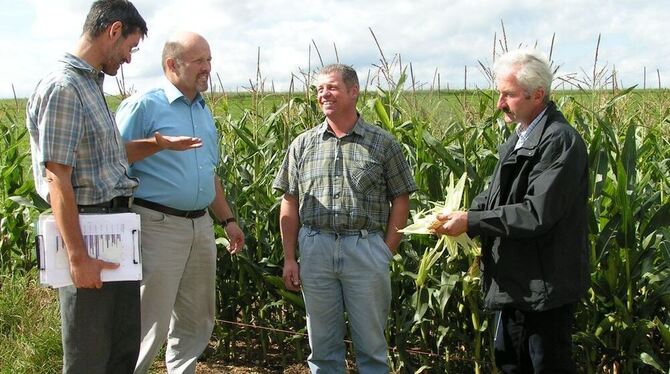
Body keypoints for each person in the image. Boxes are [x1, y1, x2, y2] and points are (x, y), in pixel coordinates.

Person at [26, 1, 202, 372]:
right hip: (88, 229)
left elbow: (105, 155)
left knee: (121, 348)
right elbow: (58, 177)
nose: (129, 58)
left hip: (115, 228)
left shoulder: (90, 84)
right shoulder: (64, 87)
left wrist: (158, 144)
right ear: (114, 30)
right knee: (89, 352)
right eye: (130, 47)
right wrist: (78, 258)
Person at [433, 49, 590, 373]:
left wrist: (472, 221)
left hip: (544, 287)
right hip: (516, 283)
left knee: (546, 365)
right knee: (511, 363)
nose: (499, 104)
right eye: (499, 93)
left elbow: (536, 213)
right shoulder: (518, 140)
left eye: (508, 95)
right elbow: (496, 197)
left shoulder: (559, 142)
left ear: (538, 95)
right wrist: (462, 214)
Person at [273, 64, 417, 373]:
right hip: (315, 248)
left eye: (332, 87)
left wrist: (385, 251)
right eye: (318, 89)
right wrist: (289, 257)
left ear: (354, 92)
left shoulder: (382, 143)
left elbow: (401, 199)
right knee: (323, 349)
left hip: (365, 249)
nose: (323, 94)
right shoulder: (303, 144)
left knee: (372, 348)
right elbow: (289, 202)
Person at [115, 31, 245, 374]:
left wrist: (227, 220)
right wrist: (158, 144)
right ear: (172, 64)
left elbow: (208, 173)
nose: (208, 67)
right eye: (199, 60)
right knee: (149, 320)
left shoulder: (202, 110)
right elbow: (111, 157)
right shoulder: (145, 104)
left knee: (196, 317)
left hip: (201, 226)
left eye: (209, 59)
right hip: (157, 225)